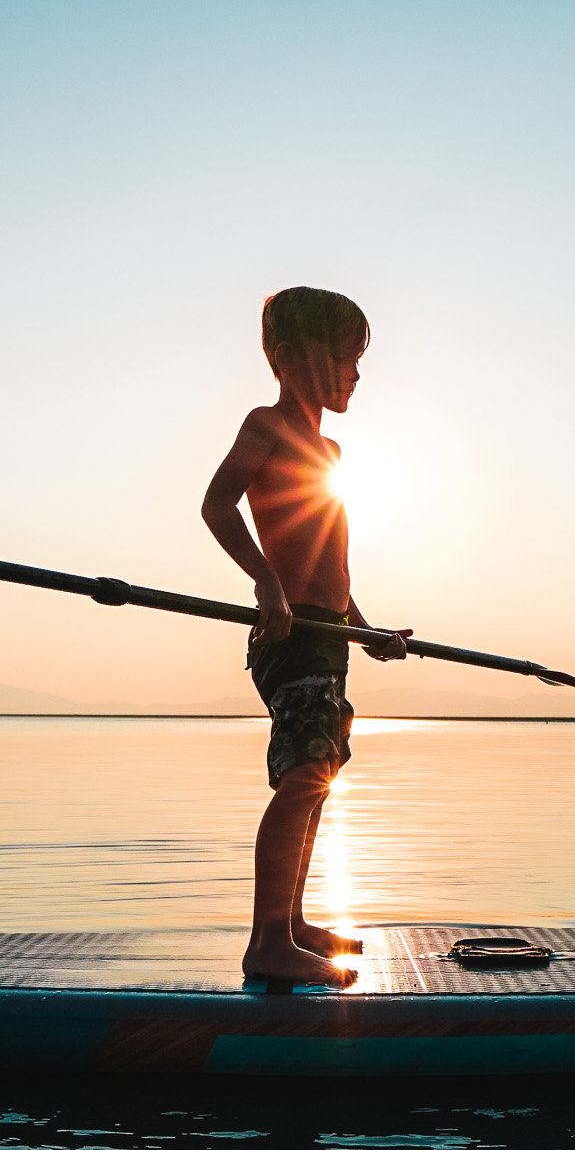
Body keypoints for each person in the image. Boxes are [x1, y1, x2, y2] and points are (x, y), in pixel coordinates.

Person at [201, 287, 411, 985]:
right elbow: (216, 503)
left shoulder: (329, 448)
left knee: (318, 776)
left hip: (324, 635)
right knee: (302, 778)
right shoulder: (265, 425)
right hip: (288, 637)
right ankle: (266, 943)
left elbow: (329, 566)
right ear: (290, 359)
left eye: (358, 359)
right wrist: (266, 584)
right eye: (344, 356)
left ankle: (290, 924)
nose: (354, 372)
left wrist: (364, 629)